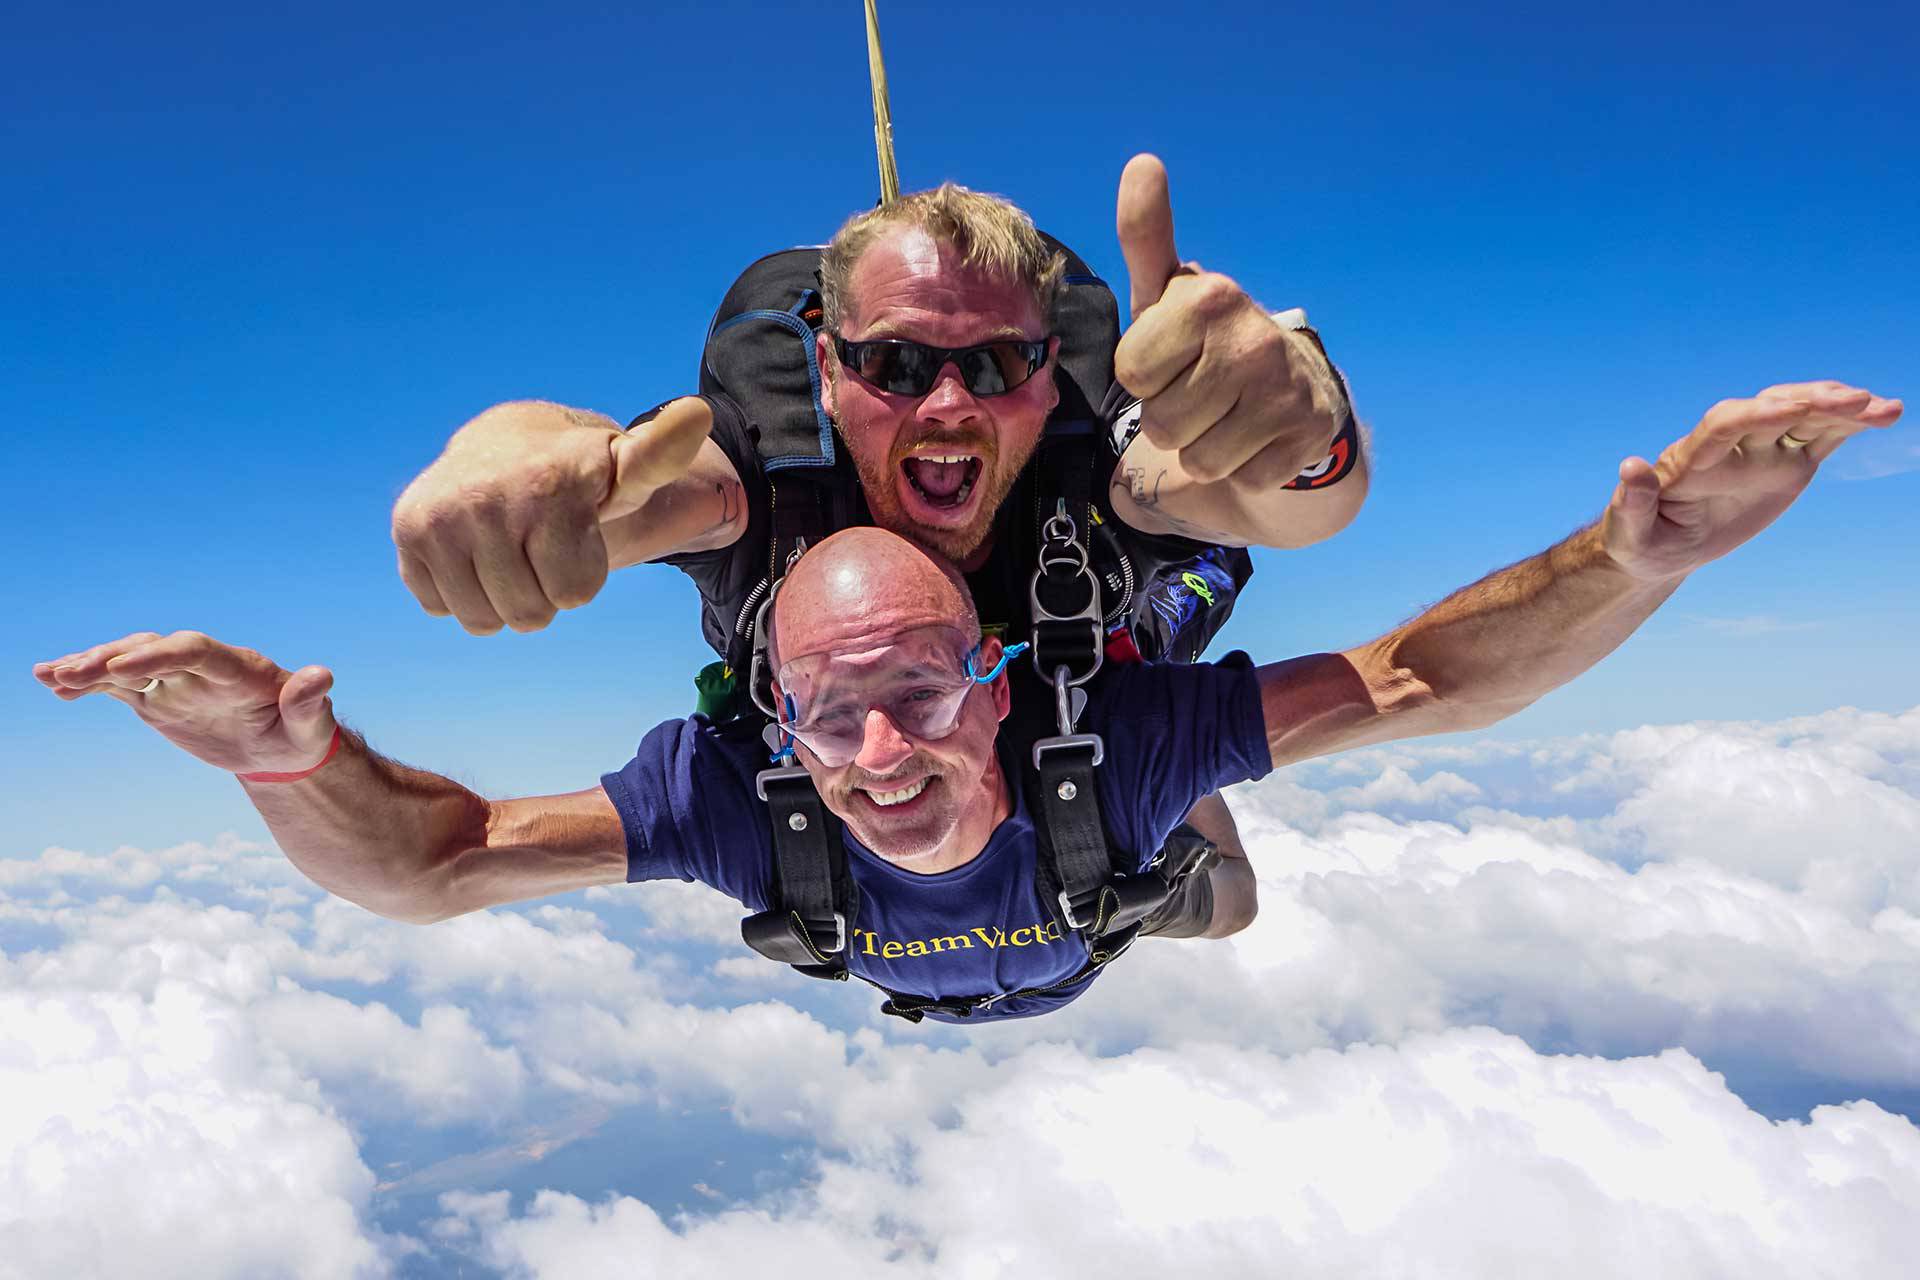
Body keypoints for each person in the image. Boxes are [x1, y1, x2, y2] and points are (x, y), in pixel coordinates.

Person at [37, 382, 1899, 1021]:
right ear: (767, 712)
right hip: (996, 919)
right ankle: (1165, 871)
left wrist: (1640, 555)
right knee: (1153, 868)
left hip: (1116, 862)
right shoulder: (738, 793)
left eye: (922, 691)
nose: (877, 752)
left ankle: (1183, 859)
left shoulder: (1114, 737)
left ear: (1002, 677)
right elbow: (433, 863)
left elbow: (1426, 677)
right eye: (828, 714)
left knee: (1207, 886)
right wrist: (292, 763)